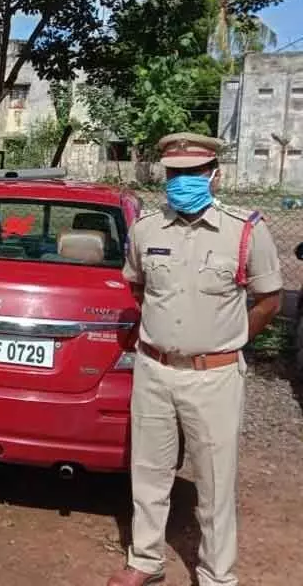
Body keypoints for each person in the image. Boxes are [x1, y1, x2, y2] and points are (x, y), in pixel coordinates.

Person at [107, 132, 282, 586]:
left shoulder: (245, 230)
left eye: (193, 173)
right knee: (148, 472)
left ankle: (216, 573)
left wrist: (229, 341)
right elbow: (137, 286)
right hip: (154, 370)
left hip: (215, 377)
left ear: (214, 176)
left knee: (215, 482)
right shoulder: (146, 228)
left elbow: (269, 299)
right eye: (174, 174)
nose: (182, 181)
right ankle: (145, 560)